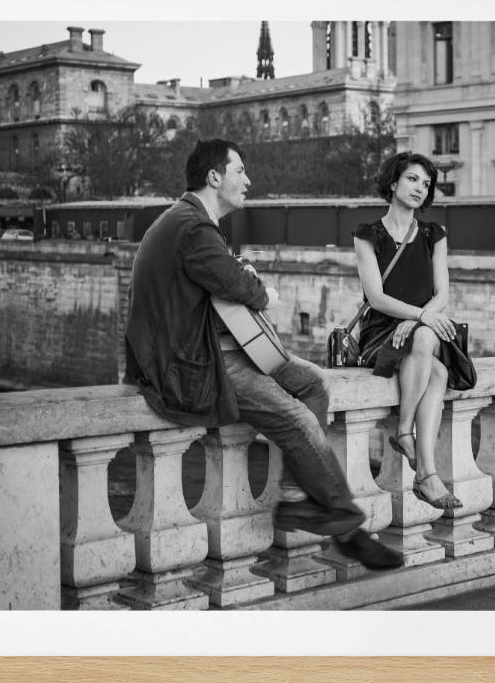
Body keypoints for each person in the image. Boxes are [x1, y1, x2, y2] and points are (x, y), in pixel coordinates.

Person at [125, 138, 402, 570]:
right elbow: (242, 289)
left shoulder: (186, 221)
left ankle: (294, 498)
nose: (248, 180)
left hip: (204, 349)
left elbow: (218, 276)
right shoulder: (194, 226)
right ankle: (348, 528)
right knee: (294, 417)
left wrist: (242, 278)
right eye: (240, 171)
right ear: (214, 177)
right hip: (192, 365)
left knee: (313, 383)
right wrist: (264, 293)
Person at [352, 151, 463, 510]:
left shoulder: (434, 234)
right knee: (439, 370)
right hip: (381, 333)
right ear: (393, 182)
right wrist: (419, 319)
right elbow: (376, 297)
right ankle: (426, 471)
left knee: (431, 347)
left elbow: (443, 294)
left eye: (426, 184)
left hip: (420, 328)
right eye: (413, 179)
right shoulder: (367, 235)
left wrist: (416, 321)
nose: (420, 188)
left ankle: (411, 445)